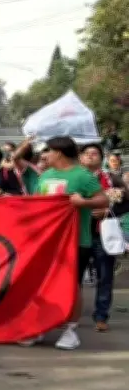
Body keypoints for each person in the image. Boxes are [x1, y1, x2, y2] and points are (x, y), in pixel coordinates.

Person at [20, 136, 109, 350]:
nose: (45, 155)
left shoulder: (83, 176)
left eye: (48, 151)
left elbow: (103, 200)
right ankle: (39, 326)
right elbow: (34, 203)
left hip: (76, 241)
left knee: (72, 285)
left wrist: (83, 202)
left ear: (58, 153)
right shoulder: (46, 176)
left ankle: (70, 330)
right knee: (40, 284)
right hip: (46, 241)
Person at [80, 143, 117, 332]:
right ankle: (70, 313)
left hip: (102, 234)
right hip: (79, 234)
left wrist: (108, 210)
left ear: (101, 158)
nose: (90, 156)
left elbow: (125, 202)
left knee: (104, 277)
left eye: (94, 154)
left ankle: (101, 316)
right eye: (86, 153)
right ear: (80, 158)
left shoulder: (111, 178)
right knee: (74, 277)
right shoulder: (75, 178)